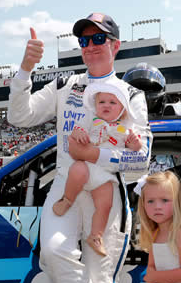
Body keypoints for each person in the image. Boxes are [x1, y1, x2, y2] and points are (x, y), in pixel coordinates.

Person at [7, 12, 152, 283]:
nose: (89, 47)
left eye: (97, 40)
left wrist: (94, 158)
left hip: (107, 198)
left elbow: (141, 161)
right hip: (66, 192)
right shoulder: (64, 84)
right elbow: (18, 115)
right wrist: (25, 69)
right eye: (83, 41)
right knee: (53, 255)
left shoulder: (132, 94)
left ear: (115, 46)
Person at [52, 81, 143, 256]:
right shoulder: (90, 119)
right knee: (76, 171)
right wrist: (78, 134)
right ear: (95, 105)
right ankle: (67, 200)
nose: (106, 106)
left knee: (105, 204)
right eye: (102, 102)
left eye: (112, 102)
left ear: (122, 109)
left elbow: (135, 149)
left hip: (103, 173)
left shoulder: (125, 129)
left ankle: (96, 235)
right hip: (86, 165)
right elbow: (76, 132)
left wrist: (135, 144)